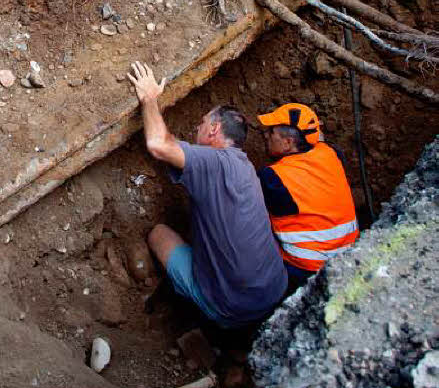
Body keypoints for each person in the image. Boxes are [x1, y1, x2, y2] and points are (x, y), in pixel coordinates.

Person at [127, 62, 287, 328]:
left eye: (202, 123)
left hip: (229, 307)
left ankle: (197, 316)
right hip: (275, 292)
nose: (197, 127)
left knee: (159, 235)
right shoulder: (245, 168)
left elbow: (158, 144)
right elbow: (180, 148)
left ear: (214, 130)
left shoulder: (214, 164)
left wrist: (150, 99)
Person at [257, 103, 358, 293]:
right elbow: (320, 141)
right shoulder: (332, 154)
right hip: (349, 254)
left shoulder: (273, 178)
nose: (266, 135)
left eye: (271, 133)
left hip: (305, 268)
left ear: (288, 143)